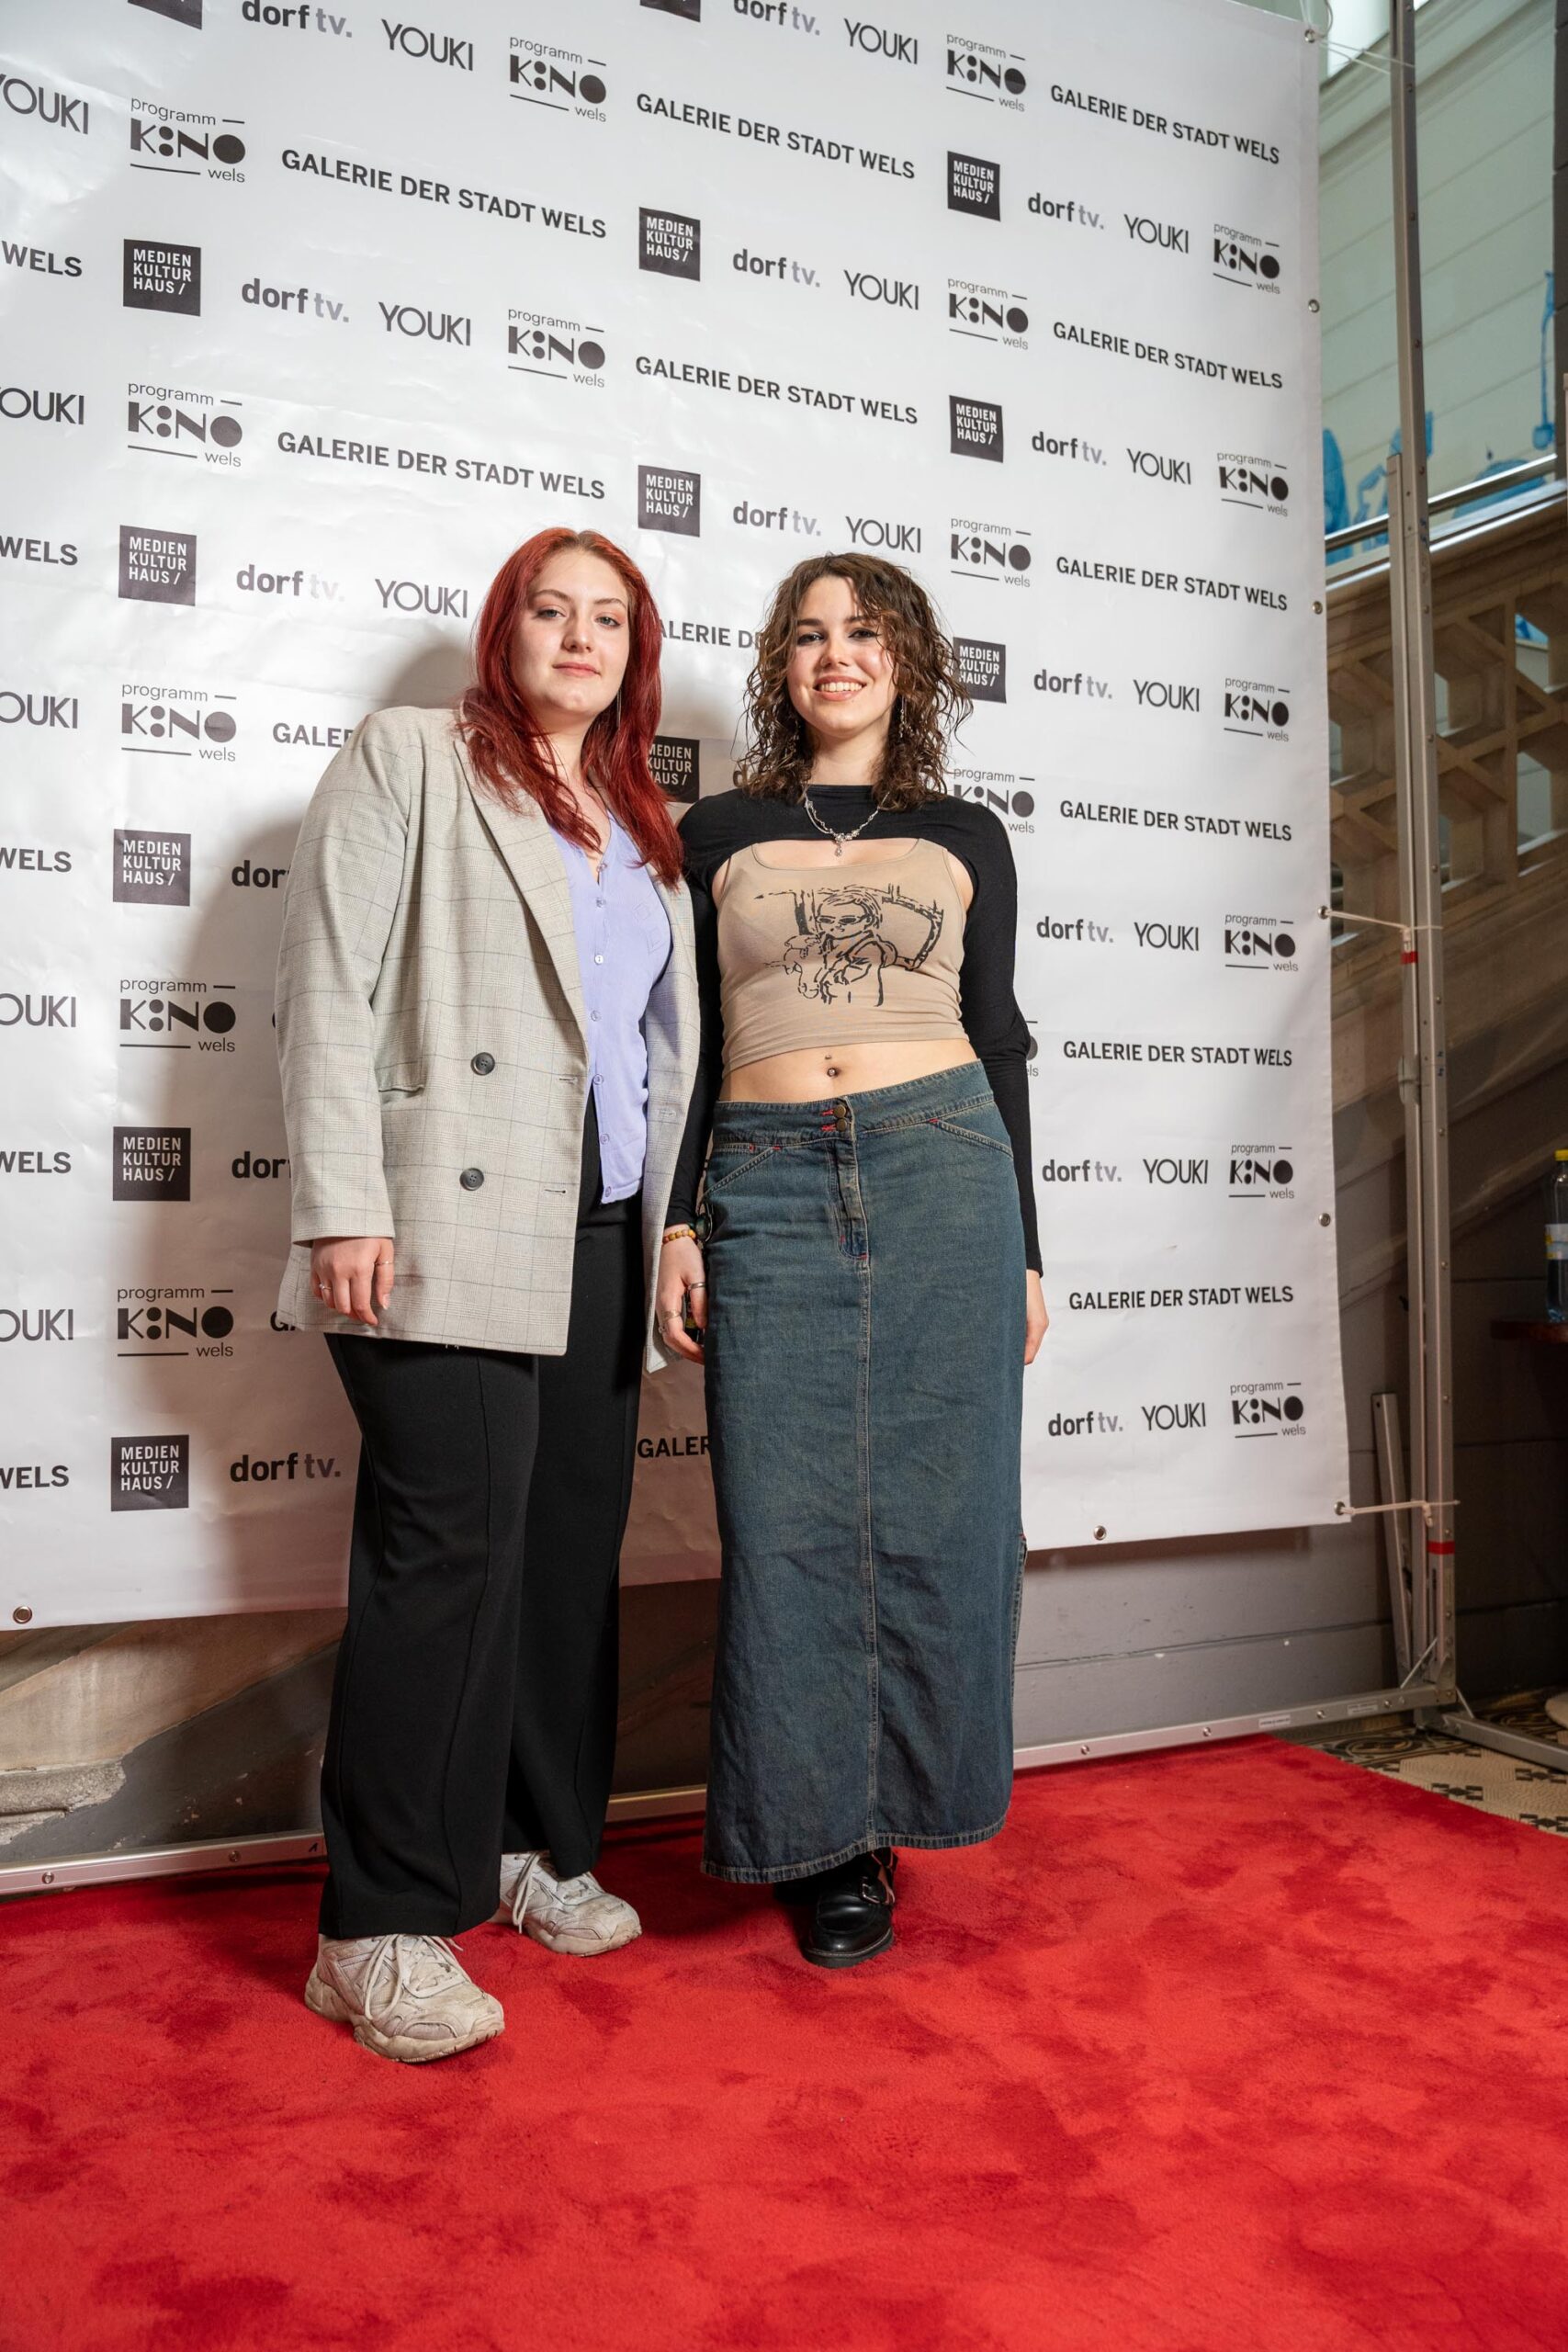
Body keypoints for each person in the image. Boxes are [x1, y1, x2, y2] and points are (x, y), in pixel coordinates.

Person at [274, 528, 700, 2062]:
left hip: (596, 1231)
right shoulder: (413, 758)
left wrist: (670, 1226)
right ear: (503, 627)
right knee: (443, 1560)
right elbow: (326, 985)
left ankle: (527, 1846)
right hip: (441, 1223)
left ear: (633, 651)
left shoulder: (647, 820)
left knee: (562, 1555)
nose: (578, 636)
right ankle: (376, 1927)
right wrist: (339, 1202)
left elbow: (653, 1055)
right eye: (551, 608)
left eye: (609, 618)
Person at [657, 554, 1048, 1969]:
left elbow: (999, 1036)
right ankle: (813, 1834)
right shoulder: (715, 829)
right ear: (780, 665)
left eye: (865, 634)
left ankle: (887, 1829)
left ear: (908, 661)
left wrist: (1029, 1253)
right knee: (786, 1516)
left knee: (943, 1507)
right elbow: (688, 1048)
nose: (837, 655)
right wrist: (684, 1219)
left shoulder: (965, 831)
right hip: (764, 1171)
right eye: (810, 635)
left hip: (944, 1160)